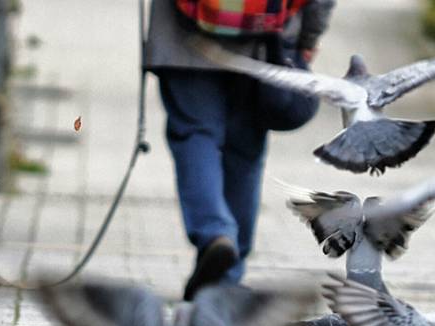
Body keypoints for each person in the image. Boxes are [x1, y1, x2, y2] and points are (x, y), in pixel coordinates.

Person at [144, 0, 336, 300]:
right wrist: (308, 36)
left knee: (195, 133)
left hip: (182, 37)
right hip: (263, 41)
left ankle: (215, 232)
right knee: (244, 150)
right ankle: (226, 280)